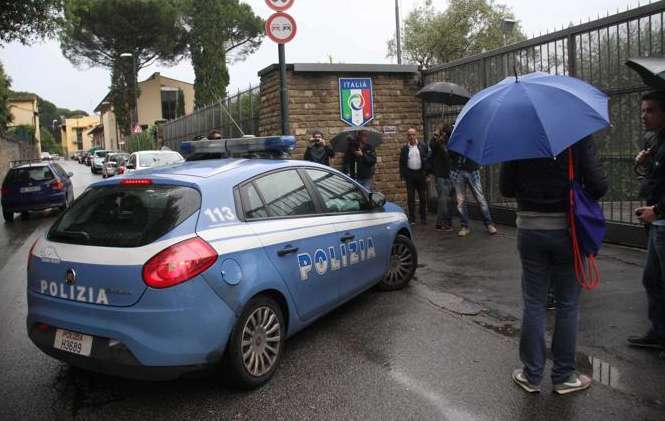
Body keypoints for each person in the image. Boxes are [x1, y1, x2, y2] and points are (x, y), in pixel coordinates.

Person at [500, 136, 607, 395]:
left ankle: (531, 374)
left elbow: (505, 188)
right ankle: (564, 376)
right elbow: (598, 185)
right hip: (567, 231)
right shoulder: (576, 137)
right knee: (568, 304)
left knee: (534, 302)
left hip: (529, 230)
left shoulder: (518, 137)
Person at [631, 91, 665, 350]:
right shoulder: (656, 140)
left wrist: (658, 209)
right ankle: (659, 332)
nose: (644, 115)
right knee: (652, 279)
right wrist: (646, 160)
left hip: (661, 218)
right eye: (643, 110)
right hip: (657, 221)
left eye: (651, 110)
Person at [449, 147, 497, 236]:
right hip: (458, 171)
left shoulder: (474, 136)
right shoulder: (455, 136)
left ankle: (489, 224)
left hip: (472, 170)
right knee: (461, 201)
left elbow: (479, 151)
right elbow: (450, 154)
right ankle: (465, 226)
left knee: (480, 198)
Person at [399, 127, 430, 225]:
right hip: (410, 175)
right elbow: (401, 163)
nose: (411, 137)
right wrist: (403, 175)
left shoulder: (423, 146)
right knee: (410, 198)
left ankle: (423, 217)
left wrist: (428, 174)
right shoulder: (405, 149)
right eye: (409, 135)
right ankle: (412, 218)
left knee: (422, 197)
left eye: (413, 134)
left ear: (416, 135)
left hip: (421, 174)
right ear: (407, 136)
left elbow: (428, 161)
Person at [430, 127, 456, 231]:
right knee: (443, 201)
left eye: (446, 134)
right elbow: (432, 145)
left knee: (451, 201)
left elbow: (452, 156)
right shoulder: (437, 144)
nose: (444, 135)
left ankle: (447, 222)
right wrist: (436, 136)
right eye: (443, 134)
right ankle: (441, 223)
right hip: (441, 176)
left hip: (450, 175)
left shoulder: (449, 143)